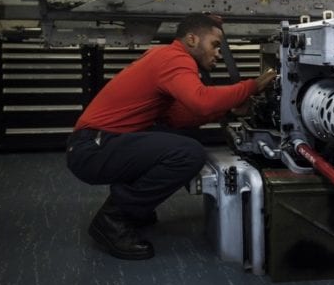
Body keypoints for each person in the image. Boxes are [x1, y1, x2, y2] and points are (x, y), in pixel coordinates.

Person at [66, 13, 277, 260]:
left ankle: (132, 208)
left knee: (170, 136)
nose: (218, 54)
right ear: (191, 39)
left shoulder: (166, 58)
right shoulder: (175, 58)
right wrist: (251, 86)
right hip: (92, 149)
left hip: (97, 144)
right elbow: (200, 102)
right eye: (215, 45)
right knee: (188, 153)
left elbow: (177, 118)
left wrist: (229, 107)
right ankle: (113, 218)